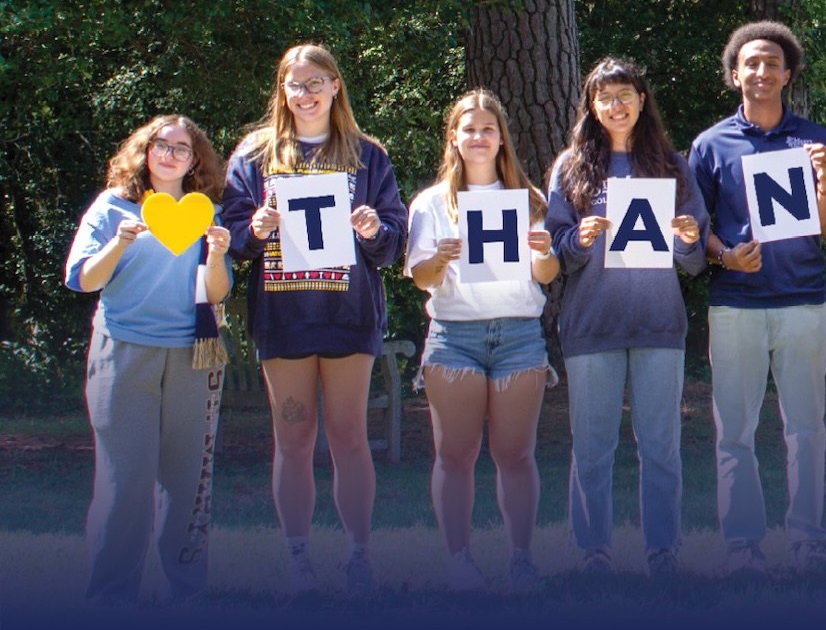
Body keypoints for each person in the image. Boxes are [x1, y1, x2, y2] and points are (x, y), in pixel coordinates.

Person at [223, 44, 408, 593]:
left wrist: (376, 229)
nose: (304, 95)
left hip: (348, 316)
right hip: (283, 318)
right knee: (294, 438)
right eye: (294, 85)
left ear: (335, 86)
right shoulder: (254, 157)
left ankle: (358, 555)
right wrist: (253, 229)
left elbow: (394, 243)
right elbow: (231, 238)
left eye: (315, 83)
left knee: (350, 437)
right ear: (282, 90)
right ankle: (298, 557)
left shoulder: (368, 155)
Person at [689, 21, 826, 574]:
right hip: (735, 304)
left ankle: (808, 539)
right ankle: (743, 545)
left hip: (803, 300)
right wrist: (725, 255)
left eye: (772, 63)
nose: (761, 71)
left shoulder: (818, 141)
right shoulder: (710, 144)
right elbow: (693, 229)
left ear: (788, 74)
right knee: (735, 429)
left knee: (807, 427)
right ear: (735, 75)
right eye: (750, 63)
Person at [549, 57, 706, 577]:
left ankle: (664, 549)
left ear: (642, 101)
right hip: (591, 324)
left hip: (659, 322)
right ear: (591, 107)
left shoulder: (672, 164)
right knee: (592, 449)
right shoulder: (571, 166)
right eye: (605, 97)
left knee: (661, 446)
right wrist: (579, 239)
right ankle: (593, 550)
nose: (615, 106)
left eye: (625, 95)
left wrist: (687, 239)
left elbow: (694, 259)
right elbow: (556, 252)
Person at [65, 115, 231, 605]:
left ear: (194, 160)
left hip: (193, 355)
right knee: (126, 484)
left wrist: (218, 255)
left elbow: (217, 293)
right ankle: (110, 597)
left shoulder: (205, 212)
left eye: (183, 149)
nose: (171, 155)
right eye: (162, 145)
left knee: (186, 482)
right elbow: (85, 280)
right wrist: (119, 241)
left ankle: (187, 593)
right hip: (124, 353)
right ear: (145, 150)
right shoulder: (112, 207)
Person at [405, 90, 561, 590]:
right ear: (454, 137)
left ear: (500, 139)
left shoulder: (529, 199)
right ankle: (459, 559)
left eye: (487, 129)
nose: (478, 137)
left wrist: (543, 250)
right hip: (455, 338)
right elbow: (422, 278)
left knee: (515, 455)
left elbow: (547, 274)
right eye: (468, 129)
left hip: (519, 335)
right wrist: (441, 260)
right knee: (455, 455)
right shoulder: (431, 204)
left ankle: (521, 559)